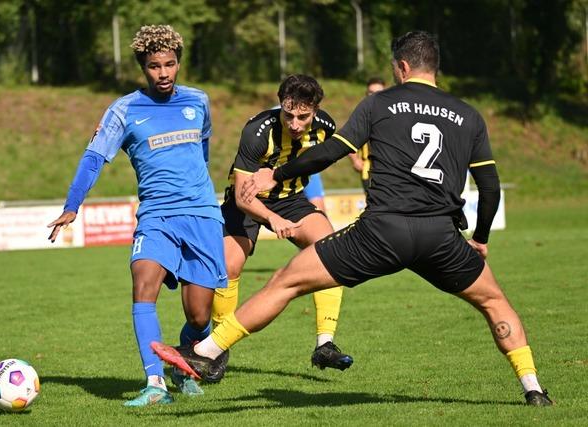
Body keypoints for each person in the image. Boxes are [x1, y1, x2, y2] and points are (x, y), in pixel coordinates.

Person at [153, 31, 553, 407]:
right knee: (496, 303)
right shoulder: (468, 115)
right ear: (435, 68)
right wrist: (480, 238)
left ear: (401, 67)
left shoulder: (380, 104)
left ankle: (207, 351)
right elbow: (490, 188)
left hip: (382, 232)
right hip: (441, 237)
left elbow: (330, 153)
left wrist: (276, 174)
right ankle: (533, 388)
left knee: (285, 281)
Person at [47, 25, 228, 406]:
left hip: (201, 214)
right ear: (142, 68)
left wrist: (201, 193)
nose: (163, 73)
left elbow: (204, 150)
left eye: (170, 64)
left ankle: (184, 358)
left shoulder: (199, 101)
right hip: (156, 216)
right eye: (154, 66)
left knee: (199, 316)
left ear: (179, 63)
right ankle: (155, 385)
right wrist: (71, 206)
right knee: (142, 284)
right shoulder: (123, 110)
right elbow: (95, 157)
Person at [208, 75, 353, 378]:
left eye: (303, 116)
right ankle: (217, 349)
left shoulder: (325, 126)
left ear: (315, 110)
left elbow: (329, 156)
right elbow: (243, 196)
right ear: (280, 104)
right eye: (289, 115)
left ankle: (325, 344)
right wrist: (272, 219)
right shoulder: (257, 131)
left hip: (291, 199)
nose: (295, 123)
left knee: (332, 250)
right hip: (247, 202)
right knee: (229, 266)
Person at [347, 77, 386, 193]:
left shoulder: (393, 115)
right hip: (369, 170)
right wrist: (355, 160)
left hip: (390, 170)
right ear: (366, 94)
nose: (374, 96)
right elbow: (348, 140)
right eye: (371, 93)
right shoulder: (362, 117)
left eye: (379, 93)